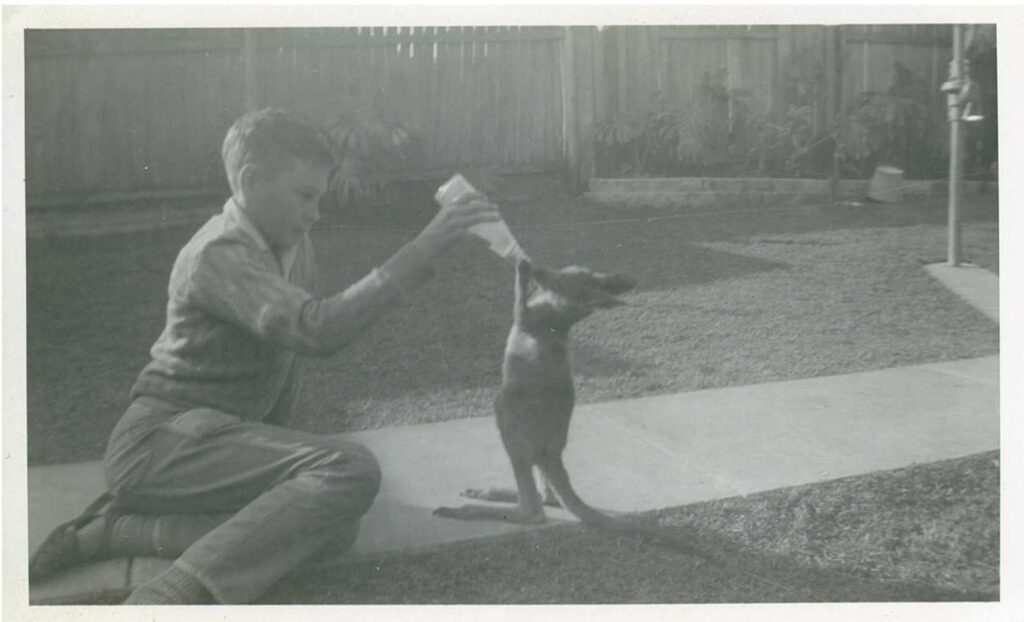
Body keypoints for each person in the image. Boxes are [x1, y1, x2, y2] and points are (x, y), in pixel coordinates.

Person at [28, 108, 501, 604]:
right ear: (251, 182)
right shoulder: (219, 252)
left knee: (329, 524)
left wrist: (277, 449)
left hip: (214, 442)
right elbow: (316, 330)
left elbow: (286, 360)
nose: (315, 211)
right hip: (158, 446)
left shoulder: (292, 244)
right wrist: (427, 244)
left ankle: (112, 534)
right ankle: (168, 598)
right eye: (304, 195)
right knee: (348, 470)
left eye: (318, 197)